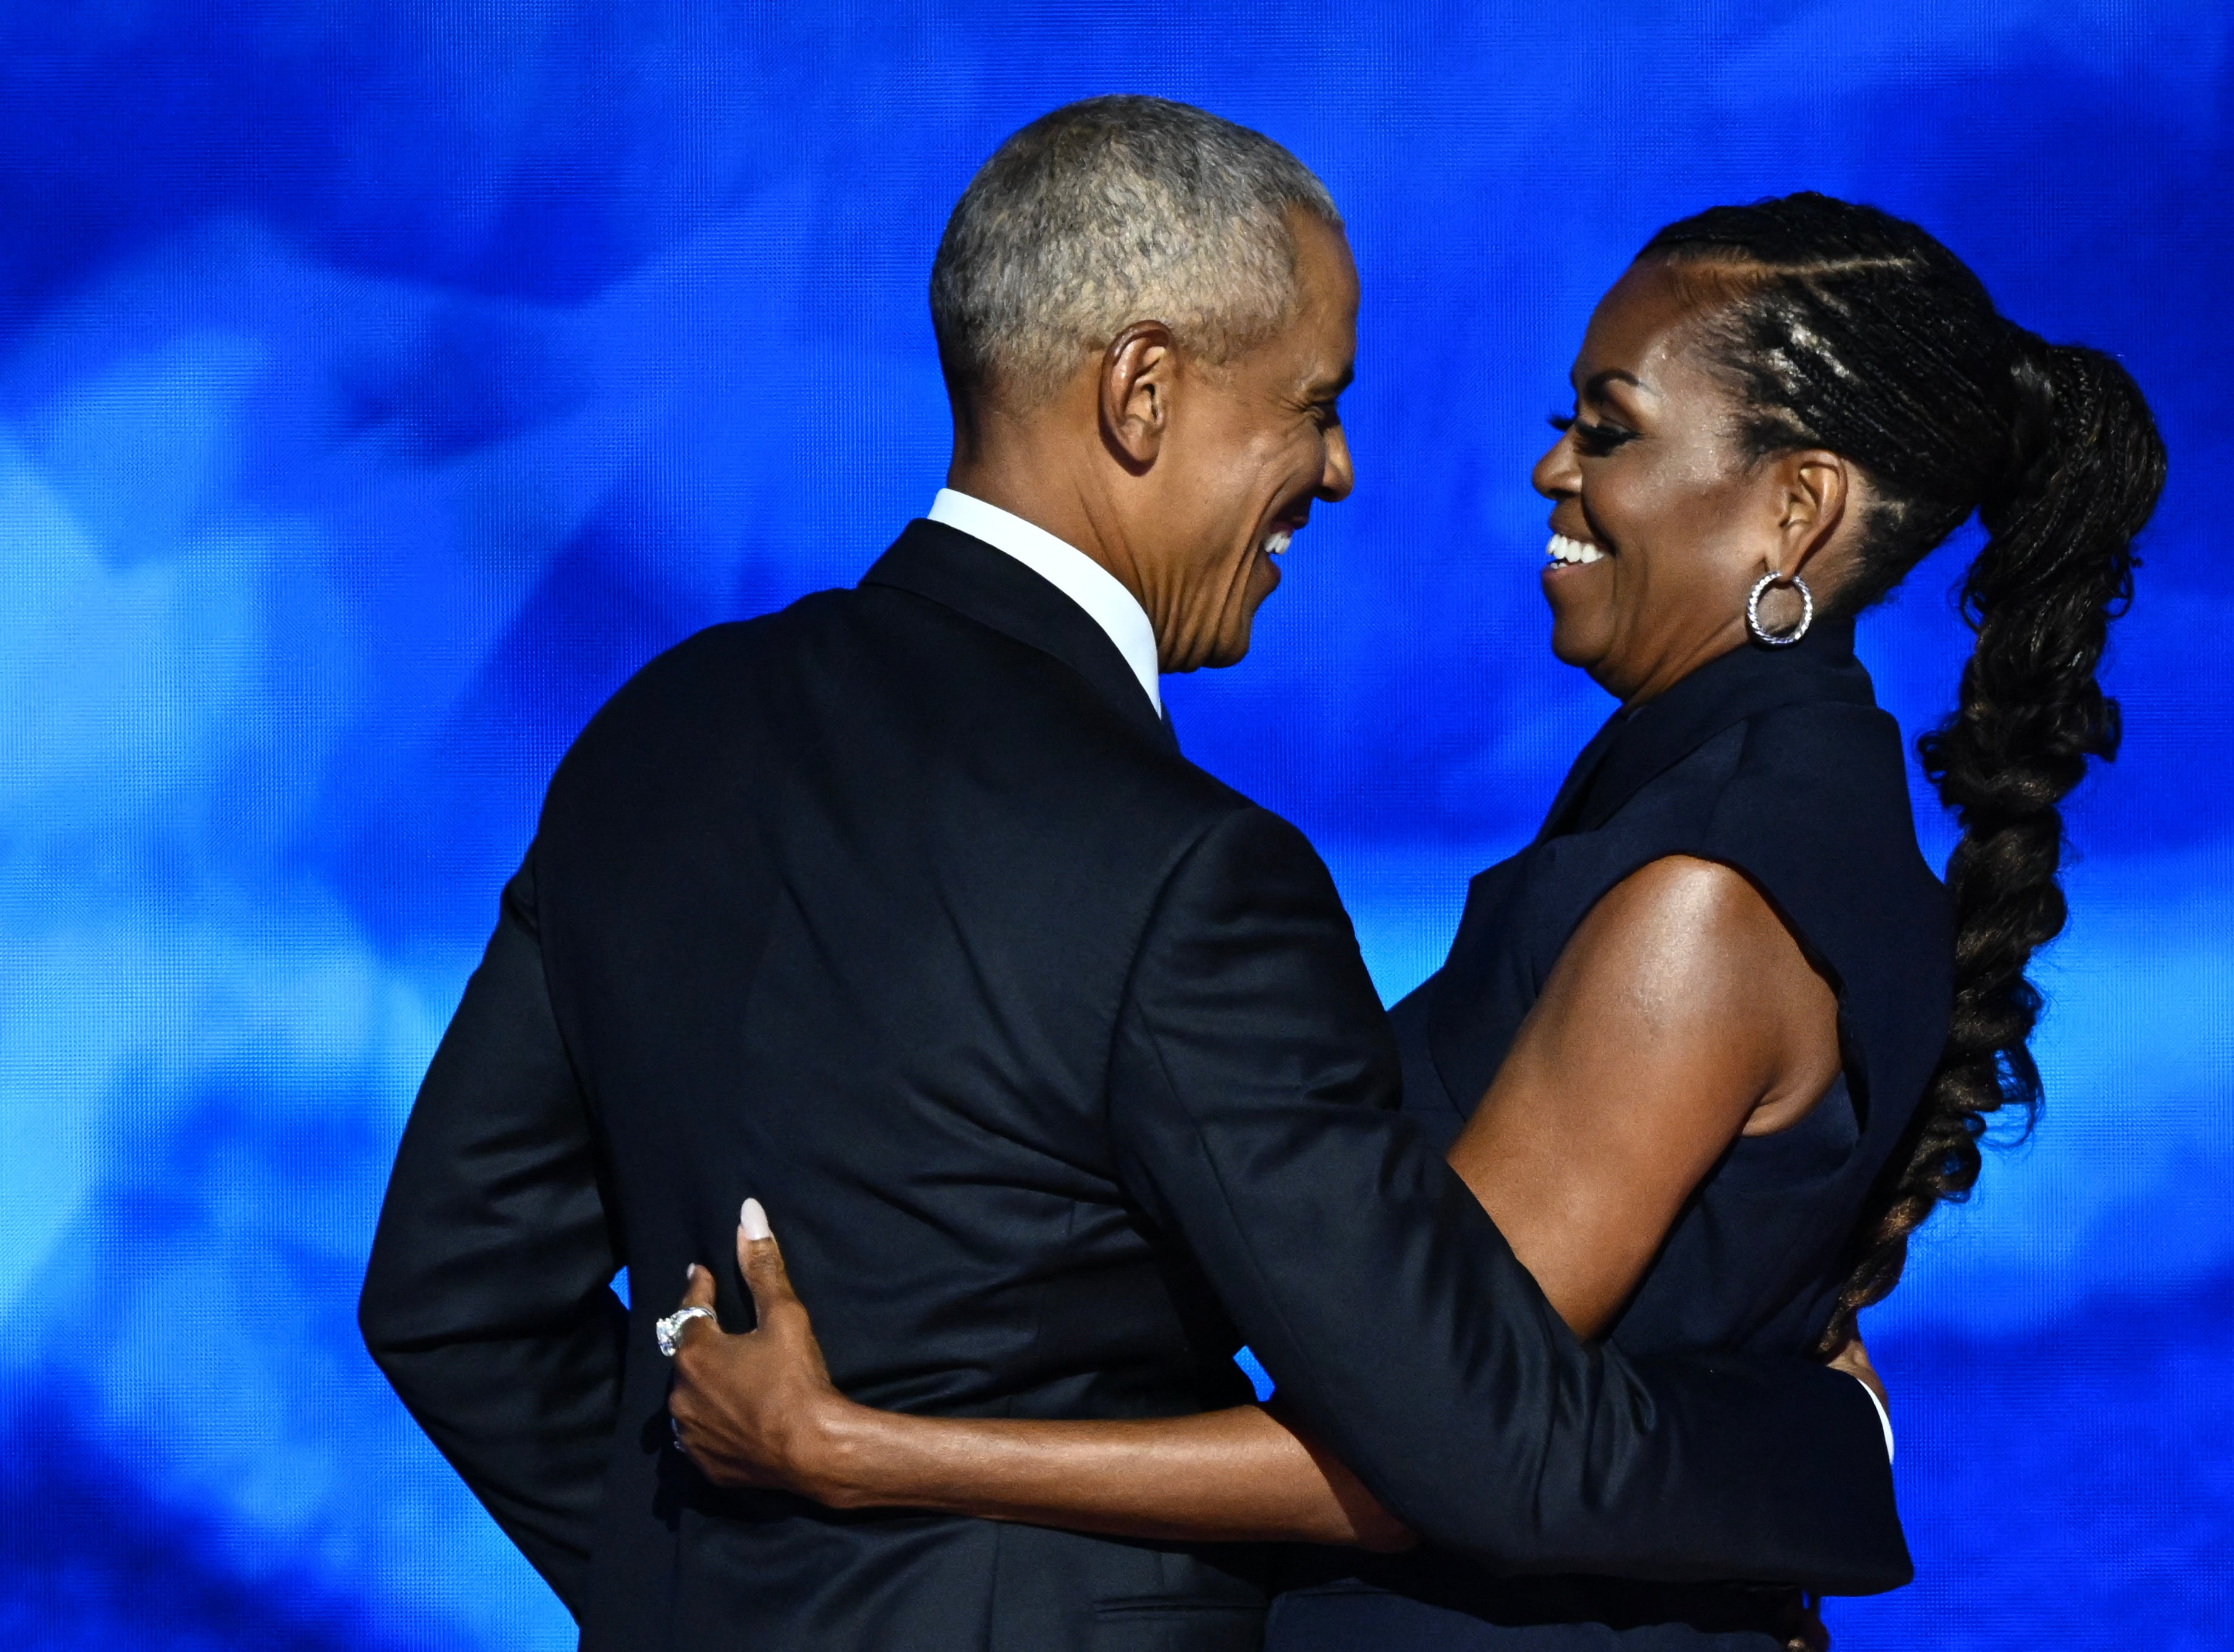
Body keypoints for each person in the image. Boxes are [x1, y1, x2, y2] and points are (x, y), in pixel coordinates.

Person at [357, 103, 1907, 1652]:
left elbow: (450, 1296)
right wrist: (1828, 1453)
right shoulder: (1195, 877)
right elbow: (1478, 1440)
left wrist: (721, 1587)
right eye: (1315, 404)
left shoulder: (657, 736)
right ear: (1143, 394)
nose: (1340, 470)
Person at [660, 191, 2168, 1650]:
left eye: (1608, 428)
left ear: (1797, 506)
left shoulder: (1704, 894)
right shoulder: (1717, 824)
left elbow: (1424, 1452)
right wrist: (1805, 1441)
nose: (1550, 472)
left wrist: (857, 1449)